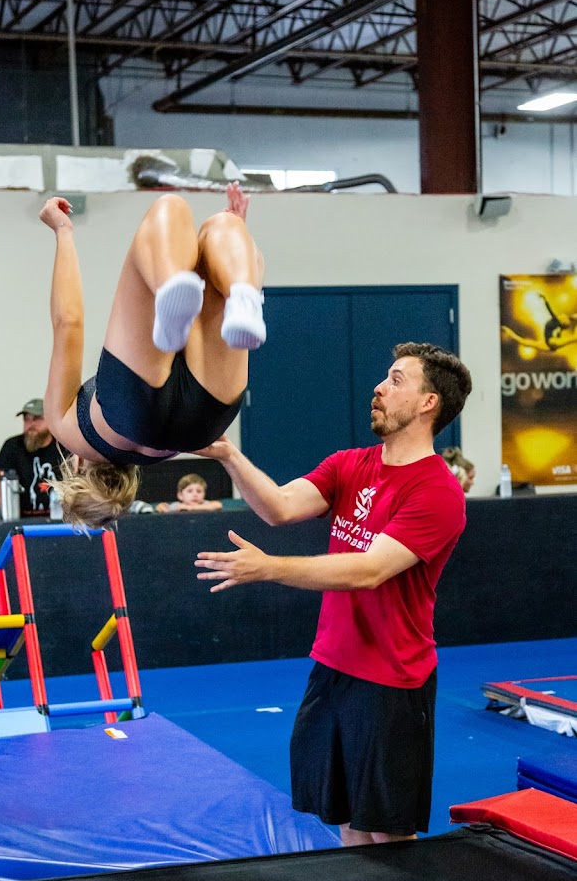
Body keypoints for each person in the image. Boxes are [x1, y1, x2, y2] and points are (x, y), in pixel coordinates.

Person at [194, 342, 472, 847]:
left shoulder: (437, 491)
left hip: (392, 680)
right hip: (334, 666)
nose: (379, 387)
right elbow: (279, 506)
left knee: (386, 830)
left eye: (396, 380)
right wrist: (229, 455)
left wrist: (269, 567)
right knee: (344, 816)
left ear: (428, 403)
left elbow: (370, 570)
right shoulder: (350, 464)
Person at [39, 182, 265, 529]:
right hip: (129, 408)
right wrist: (63, 232)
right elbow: (68, 323)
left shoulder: (159, 455)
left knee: (225, 226)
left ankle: (241, 289)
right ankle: (176, 288)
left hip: (203, 427)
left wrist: (238, 247)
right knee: (169, 208)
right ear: (78, 465)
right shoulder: (71, 434)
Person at [0, 398, 67, 520]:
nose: (31, 424)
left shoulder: (63, 446)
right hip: (20, 519)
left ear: (49, 420)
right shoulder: (12, 446)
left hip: (59, 519)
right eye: (26, 419)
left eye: (37, 419)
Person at [156, 473, 224, 513]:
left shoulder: (205, 504)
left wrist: (191, 508)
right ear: (180, 495)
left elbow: (218, 505)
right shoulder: (178, 506)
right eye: (190, 491)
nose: (195, 494)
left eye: (199, 491)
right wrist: (161, 507)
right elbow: (163, 509)